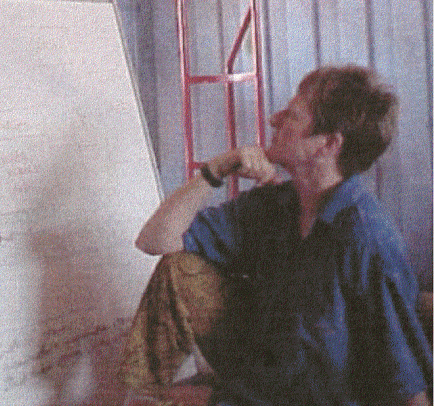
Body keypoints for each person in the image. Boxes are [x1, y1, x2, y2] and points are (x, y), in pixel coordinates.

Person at [124, 66, 432, 405]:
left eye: (292, 116)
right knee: (179, 267)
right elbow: (154, 240)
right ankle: (136, 398)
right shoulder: (277, 205)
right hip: (265, 388)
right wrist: (217, 169)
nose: (274, 120)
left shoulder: (369, 239)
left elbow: (409, 389)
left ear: (328, 144)